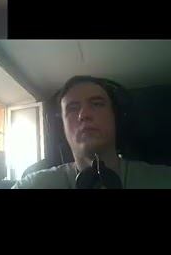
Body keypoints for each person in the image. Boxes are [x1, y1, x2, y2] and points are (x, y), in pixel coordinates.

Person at [14, 75, 171, 189]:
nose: (84, 115)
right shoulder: (32, 185)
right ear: (61, 128)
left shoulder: (163, 180)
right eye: (72, 108)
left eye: (97, 104)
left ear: (116, 118)